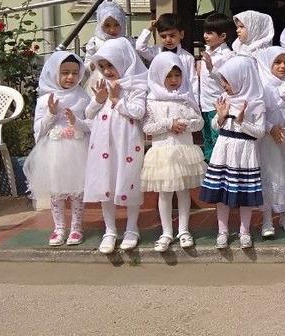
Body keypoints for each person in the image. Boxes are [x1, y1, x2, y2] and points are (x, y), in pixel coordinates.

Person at [84, 38, 148, 254]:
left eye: (110, 65)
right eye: (102, 66)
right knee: (106, 181)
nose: (107, 70)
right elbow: (88, 114)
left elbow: (139, 112)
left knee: (129, 180)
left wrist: (116, 100)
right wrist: (99, 100)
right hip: (103, 142)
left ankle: (132, 228)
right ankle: (110, 230)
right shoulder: (101, 84)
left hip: (127, 140)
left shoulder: (136, 84)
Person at [23, 51, 90, 246]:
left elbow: (89, 125)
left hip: (77, 149)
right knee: (56, 191)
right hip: (53, 151)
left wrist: (75, 122)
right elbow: (39, 129)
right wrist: (51, 114)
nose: (70, 77)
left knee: (77, 191)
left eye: (75, 73)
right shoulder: (45, 100)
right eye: (65, 72)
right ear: (53, 73)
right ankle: (59, 227)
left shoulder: (83, 97)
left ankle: (77, 228)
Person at [199, 56, 266, 249]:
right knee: (221, 191)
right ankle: (223, 231)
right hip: (224, 149)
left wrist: (241, 122)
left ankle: (244, 232)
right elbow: (215, 127)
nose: (224, 85)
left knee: (245, 192)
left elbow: (259, 132)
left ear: (242, 78)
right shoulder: (225, 99)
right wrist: (219, 118)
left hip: (245, 151)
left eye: (227, 80)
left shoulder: (256, 102)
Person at [141, 53, 206, 252]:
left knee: (184, 192)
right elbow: (147, 128)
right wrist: (169, 124)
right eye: (168, 76)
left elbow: (199, 122)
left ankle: (184, 230)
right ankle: (167, 231)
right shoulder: (152, 101)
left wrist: (184, 124)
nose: (174, 80)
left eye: (177, 76)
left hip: (183, 152)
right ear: (159, 75)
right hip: (162, 153)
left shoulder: (185, 98)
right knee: (165, 194)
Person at [256, 46, 285, 236]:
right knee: (270, 176)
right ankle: (267, 220)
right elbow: (256, 115)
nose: (283, 66)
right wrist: (270, 128)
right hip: (268, 141)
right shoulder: (262, 87)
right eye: (278, 62)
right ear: (268, 64)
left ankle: (283, 216)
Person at [198, 14, 235, 161]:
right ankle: (208, 168)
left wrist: (211, 68)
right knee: (206, 138)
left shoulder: (228, 55)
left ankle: (217, 169)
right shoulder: (208, 51)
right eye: (205, 32)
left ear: (223, 36)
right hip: (204, 103)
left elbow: (227, 82)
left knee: (217, 139)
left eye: (210, 33)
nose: (205, 36)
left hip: (217, 103)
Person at [135, 13, 198, 97]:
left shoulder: (188, 57)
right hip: (158, 99)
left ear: (181, 34)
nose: (168, 40)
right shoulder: (156, 53)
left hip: (181, 99)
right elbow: (139, 47)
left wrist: (194, 104)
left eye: (172, 35)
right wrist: (149, 29)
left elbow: (192, 81)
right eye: (163, 36)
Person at [83, 2, 129, 95]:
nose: (112, 30)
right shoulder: (95, 42)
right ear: (100, 24)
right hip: (99, 81)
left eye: (116, 25)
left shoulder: (126, 41)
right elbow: (86, 65)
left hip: (122, 80)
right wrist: (94, 63)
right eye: (107, 25)